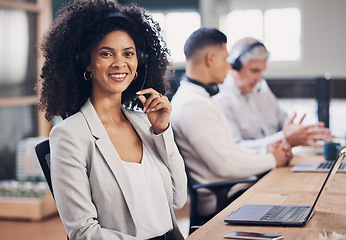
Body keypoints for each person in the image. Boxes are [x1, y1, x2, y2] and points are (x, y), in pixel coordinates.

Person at [36, 1, 187, 239]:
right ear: (87, 63)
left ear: (139, 62)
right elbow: (83, 232)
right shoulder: (69, 135)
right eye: (106, 53)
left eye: (128, 53)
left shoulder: (145, 124)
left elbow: (179, 199)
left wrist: (162, 130)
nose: (120, 63)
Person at [170, 28, 292, 216]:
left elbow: (229, 151)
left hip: (233, 187)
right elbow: (225, 164)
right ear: (211, 59)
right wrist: (272, 159)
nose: (229, 66)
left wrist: (264, 151)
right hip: (225, 198)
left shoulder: (197, 98)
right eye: (225, 59)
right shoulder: (193, 105)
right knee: (295, 195)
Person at [213, 37, 333, 154]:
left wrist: (301, 133)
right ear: (235, 66)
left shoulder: (262, 89)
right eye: (254, 70)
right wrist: (284, 138)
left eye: (261, 71)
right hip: (255, 171)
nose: (259, 78)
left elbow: (283, 121)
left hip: (279, 163)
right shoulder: (220, 100)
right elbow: (236, 148)